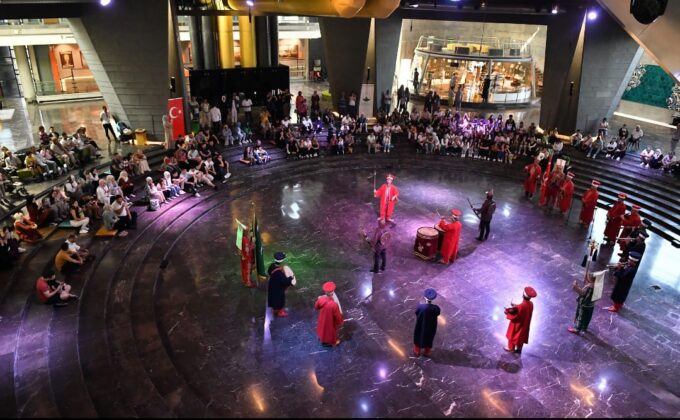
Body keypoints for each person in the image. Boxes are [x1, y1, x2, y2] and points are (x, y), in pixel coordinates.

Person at [504, 286, 537, 354]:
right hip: (525, 324)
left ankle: (511, 348)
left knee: (513, 334)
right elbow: (523, 309)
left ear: (523, 295)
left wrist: (507, 312)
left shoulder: (521, 306)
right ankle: (519, 349)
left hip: (518, 324)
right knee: (521, 336)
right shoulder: (531, 304)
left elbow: (515, 315)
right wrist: (515, 306)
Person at [315, 281, 344, 347]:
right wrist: (340, 321)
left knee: (322, 328)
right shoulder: (334, 304)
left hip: (322, 317)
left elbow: (316, 307)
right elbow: (337, 315)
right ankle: (333, 342)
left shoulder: (321, 299)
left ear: (325, 291)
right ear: (332, 292)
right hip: (330, 320)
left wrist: (319, 299)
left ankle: (322, 338)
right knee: (330, 332)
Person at [267, 252, 296, 317]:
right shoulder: (279, 272)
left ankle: (274, 309)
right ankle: (280, 312)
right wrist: (290, 278)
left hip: (272, 285)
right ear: (282, 260)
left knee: (273, 297)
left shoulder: (272, 265)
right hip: (278, 289)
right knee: (279, 299)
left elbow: (269, 272)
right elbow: (284, 282)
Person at [413, 288, 440, 357]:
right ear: (433, 298)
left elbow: (416, 313)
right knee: (429, 338)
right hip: (431, 327)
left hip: (421, 325)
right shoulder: (436, 308)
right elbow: (438, 313)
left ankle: (417, 351)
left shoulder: (420, 307)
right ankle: (427, 352)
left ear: (425, 297)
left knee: (418, 336)